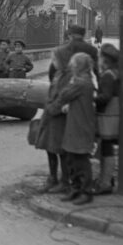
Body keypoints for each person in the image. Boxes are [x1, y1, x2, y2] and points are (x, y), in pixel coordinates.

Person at [50, 52, 96, 205]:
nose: (72, 66)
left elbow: (64, 94)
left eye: (74, 64)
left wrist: (69, 85)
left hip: (80, 124)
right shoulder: (85, 81)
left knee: (81, 160)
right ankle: (76, 189)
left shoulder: (81, 82)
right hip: (76, 122)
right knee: (72, 158)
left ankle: (85, 191)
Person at [35, 46, 74, 193]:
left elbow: (63, 97)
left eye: (55, 59)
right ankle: (52, 178)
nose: (53, 62)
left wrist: (52, 108)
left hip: (59, 118)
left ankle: (65, 181)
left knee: (59, 150)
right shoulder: (59, 74)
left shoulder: (68, 76)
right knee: (49, 148)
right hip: (51, 116)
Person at [92, 43, 120, 195]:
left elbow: (105, 97)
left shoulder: (108, 75)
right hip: (114, 113)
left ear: (105, 59)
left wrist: (93, 98)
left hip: (108, 115)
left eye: (100, 57)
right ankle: (107, 179)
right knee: (107, 147)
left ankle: (105, 182)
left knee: (106, 148)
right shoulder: (117, 72)